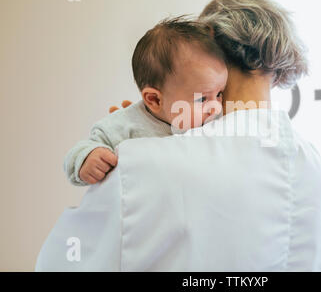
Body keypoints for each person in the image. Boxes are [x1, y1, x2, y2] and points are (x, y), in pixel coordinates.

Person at [36, 0, 321, 271]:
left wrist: (127, 147)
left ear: (211, 38)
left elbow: (59, 263)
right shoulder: (315, 166)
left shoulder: (142, 162)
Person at [63, 16, 228, 186]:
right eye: (202, 98)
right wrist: (88, 158)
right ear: (155, 99)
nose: (215, 107)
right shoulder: (124, 125)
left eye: (219, 94)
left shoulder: (214, 123)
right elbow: (77, 152)